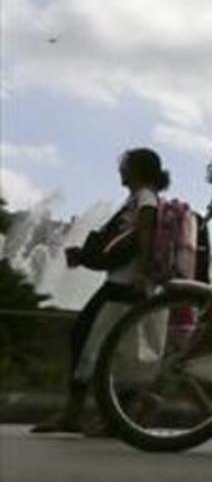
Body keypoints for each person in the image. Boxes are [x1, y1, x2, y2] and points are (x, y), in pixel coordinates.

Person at [31, 148, 168, 434]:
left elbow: (145, 234)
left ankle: (88, 413)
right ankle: (120, 409)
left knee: (92, 340)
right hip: (120, 284)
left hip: (125, 286)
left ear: (137, 170)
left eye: (125, 165)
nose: (120, 170)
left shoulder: (145, 198)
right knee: (110, 348)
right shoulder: (137, 198)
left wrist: (142, 273)